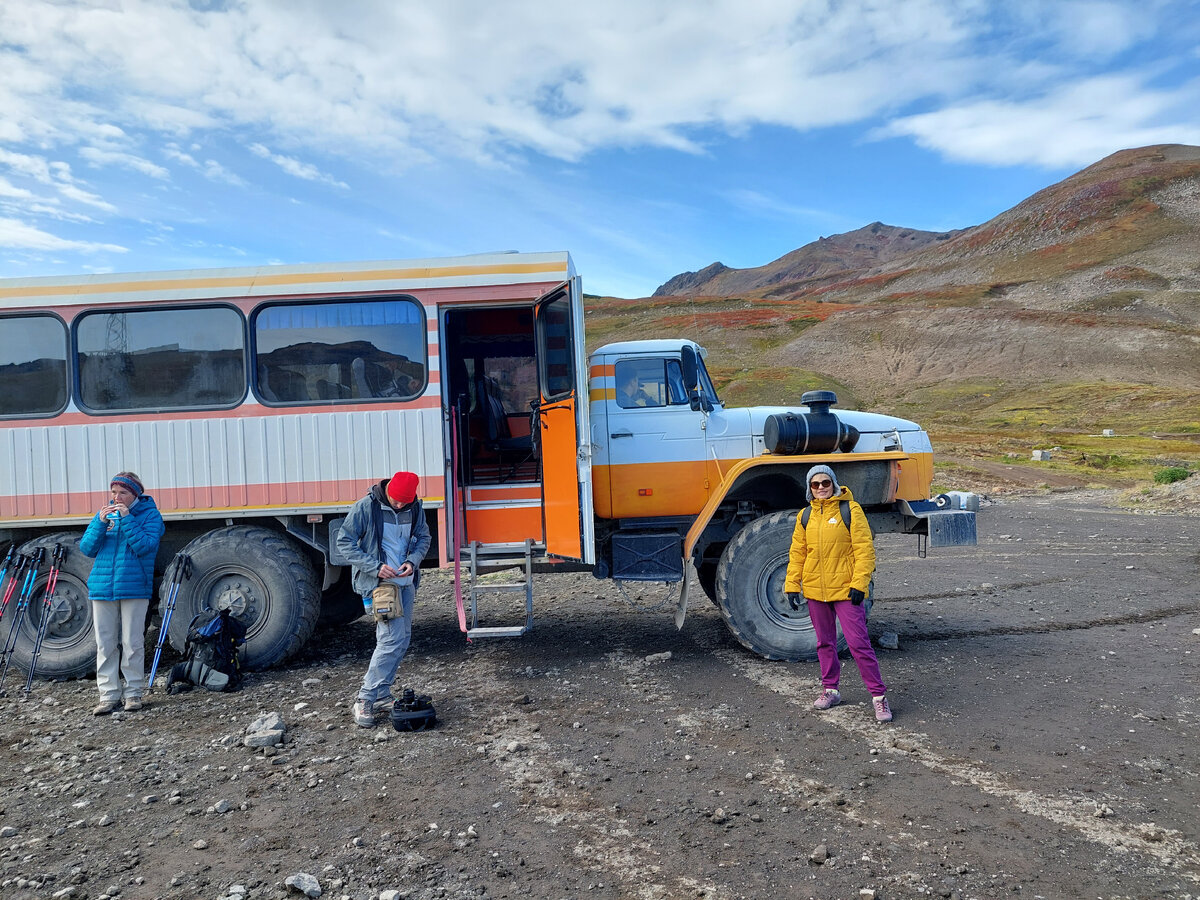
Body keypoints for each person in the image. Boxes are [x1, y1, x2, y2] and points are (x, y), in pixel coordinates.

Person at [783, 464, 892, 723]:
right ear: (809, 489)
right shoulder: (805, 516)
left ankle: (879, 697)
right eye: (815, 484)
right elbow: (798, 552)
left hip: (845, 589)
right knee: (824, 643)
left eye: (825, 483)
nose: (821, 488)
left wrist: (860, 584)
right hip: (814, 590)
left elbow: (864, 550)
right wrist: (791, 584)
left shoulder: (850, 511)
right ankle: (830, 690)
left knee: (858, 644)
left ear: (833, 483)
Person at [336, 471, 432, 727]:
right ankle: (365, 699)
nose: (400, 506)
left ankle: (380, 694)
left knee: (402, 640)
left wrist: (413, 561)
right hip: (381, 585)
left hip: (406, 583)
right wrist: (374, 567)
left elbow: (424, 537)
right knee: (390, 640)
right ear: (388, 490)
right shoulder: (366, 507)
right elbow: (344, 542)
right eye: (396, 501)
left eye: (405, 503)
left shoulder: (415, 506)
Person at [80, 472, 165, 715]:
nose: (116, 497)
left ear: (135, 494)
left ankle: (134, 694)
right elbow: (87, 548)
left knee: (132, 643)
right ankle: (108, 696)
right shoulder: (104, 515)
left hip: (134, 586)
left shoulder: (151, 516)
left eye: (123, 493)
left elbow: (145, 546)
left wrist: (127, 519)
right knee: (105, 644)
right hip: (102, 587)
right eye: (114, 492)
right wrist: (99, 523)